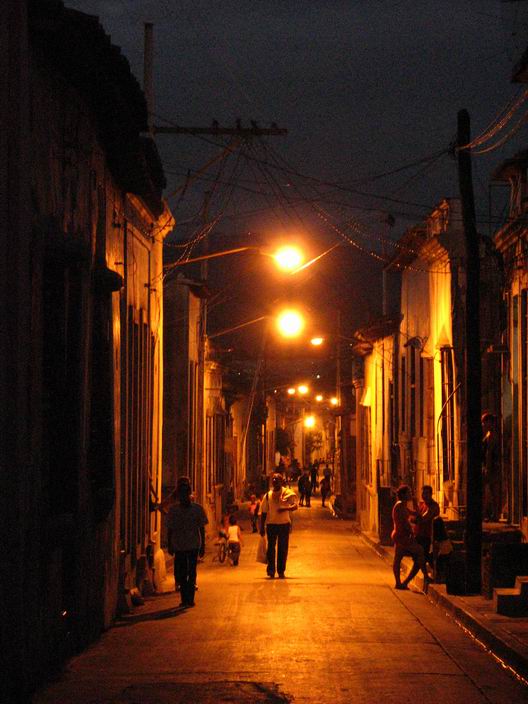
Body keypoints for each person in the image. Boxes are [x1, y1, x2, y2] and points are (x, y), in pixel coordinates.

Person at [167, 476, 208, 607]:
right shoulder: (174, 511)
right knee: (182, 573)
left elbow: (201, 528)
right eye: (182, 494)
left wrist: (202, 546)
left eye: (186, 494)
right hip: (180, 546)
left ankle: (188, 599)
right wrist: (170, 544)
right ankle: (185, 598)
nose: (184, 497)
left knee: (191, 572)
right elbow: (170, 529)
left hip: (192, 545)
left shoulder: (197, 509)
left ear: (189, 494)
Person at [259, 472, 298, 578]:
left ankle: (281, 570)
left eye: (277, 479)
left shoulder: (287, 493)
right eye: (273, 479)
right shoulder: (268, 496)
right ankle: (271, 570)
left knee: (283, 548)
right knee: (270, 548)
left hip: (284, 524)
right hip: (271, 525)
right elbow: (263, 512)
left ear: (281, 482)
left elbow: (295, 506)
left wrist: (285, 508)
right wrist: (261, 527)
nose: (275, 481)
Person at [391, 484, 429, 591]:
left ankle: (399, 583)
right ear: (403, 494)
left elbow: (415, 514)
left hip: (400, 536)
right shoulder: (399, 506)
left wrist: (415, 502)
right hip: (402, 536)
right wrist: (411, 533)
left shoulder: (402, 505)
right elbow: (405, 523)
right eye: (408, 492)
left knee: (398, 559)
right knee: (420, 551)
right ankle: (425, 576)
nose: (410, 494)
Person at [413, 485, 440, 568]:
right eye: (423, 493)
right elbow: (414, 519)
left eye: (426, 493)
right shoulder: (422, 505)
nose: (424, 495)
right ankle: (426, 577)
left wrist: (415, 505)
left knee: (421, 560)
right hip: (418, 535)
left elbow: (422, 519)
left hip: (426, 537)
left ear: (431, 494)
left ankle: (426, 577)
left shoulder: (433, 506)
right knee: (419, 560)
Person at [482, 411, 501, 521]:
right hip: (489, 466)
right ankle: (493, 514)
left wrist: (487, 467)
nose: (483, 425)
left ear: (489, 422)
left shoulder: (492, 436)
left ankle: (493, 514)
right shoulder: (489, 435)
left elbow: (489, 453)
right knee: (491, 491)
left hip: (491, 467)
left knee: (492, 491)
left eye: (484, 422)